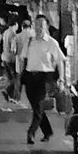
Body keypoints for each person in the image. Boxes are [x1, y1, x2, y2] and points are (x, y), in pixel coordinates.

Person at [17, 15, 65, 145]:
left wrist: (61, 78)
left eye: (41, 25)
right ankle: (48, 131)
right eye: (36, 25)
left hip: (44, 78)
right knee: (36, 107)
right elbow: (23, 58)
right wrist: (19, 77)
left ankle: (31, 132)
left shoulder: (51, 43)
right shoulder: (29, 41)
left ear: (46, 27)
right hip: (30, 77)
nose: (38, 28)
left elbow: (60, 61)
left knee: (38, 106)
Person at [8, 18, 34, 104]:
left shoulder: (17, 36)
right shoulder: (33, 36)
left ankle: (16, 98)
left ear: (22, 27)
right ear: (30, 27)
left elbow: (13, 50)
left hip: (20, 61)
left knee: (18, 80)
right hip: (32, 62)